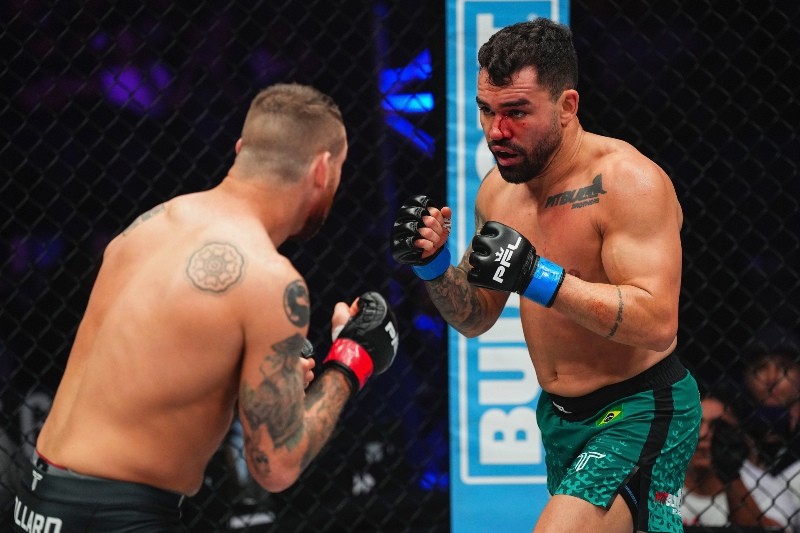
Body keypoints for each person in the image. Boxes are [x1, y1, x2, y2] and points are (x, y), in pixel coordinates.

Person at [11, 83, 399, 532]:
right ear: (321, 169)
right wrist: (350, 361)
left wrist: (256, 383)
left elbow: (150, 383)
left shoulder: (148, 226)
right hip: (116, 517)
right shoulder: (271, 279)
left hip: (36, 506)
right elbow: (276, 466)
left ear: (240, 150)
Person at [391, 18, 700, 533]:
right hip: (559, 418)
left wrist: (537, 275)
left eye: (516, 112)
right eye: (486, 111)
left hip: (640, 407)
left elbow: (656, 323)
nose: (496, 131)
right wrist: (434, 264)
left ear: (567, 106)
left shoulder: (627, 183)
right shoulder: (497, 193)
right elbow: (475, 317)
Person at [682, 393, 780, 529]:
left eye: (719, 427)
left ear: (738, 435)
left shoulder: (764, 487)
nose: (703, 434)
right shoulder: (657, 479)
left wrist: (731, 476)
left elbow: (774, 529)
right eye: (695, 424)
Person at [738, 348, 800, 531]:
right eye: (760, 368)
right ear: (747, 377)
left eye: (784, 367)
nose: (771, 378)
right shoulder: (729, 435)